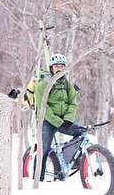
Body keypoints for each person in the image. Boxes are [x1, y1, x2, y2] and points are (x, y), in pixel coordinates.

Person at [34, 53, 83, 181]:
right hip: (47, 121)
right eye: (56, 66)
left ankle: (73, 160)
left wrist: (68, 119)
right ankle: (38, 178)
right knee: (43, 149)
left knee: (81, 134)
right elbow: (42, 107)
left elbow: (73, 103)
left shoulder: (68, 85)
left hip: (64, 120)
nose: (59, 68)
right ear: (51, 68)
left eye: (62, 66)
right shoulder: (43, 85)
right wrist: (57, 122)